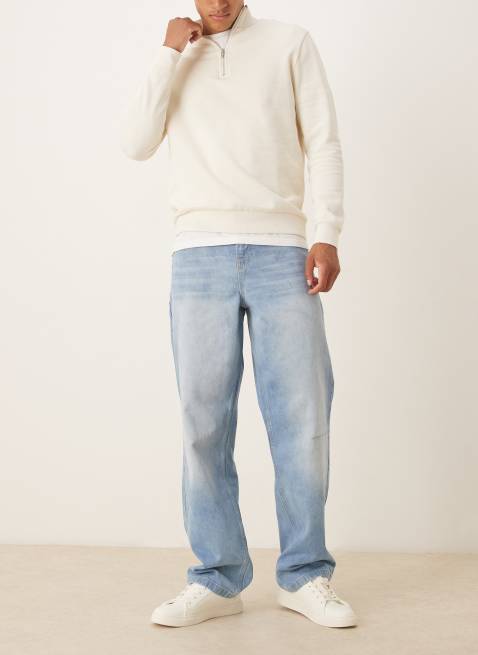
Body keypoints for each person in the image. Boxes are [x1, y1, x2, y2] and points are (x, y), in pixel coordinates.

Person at [119, 0, 357, 629]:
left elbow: (324, 142)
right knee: (202, 422)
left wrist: (326, 233)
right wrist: (169, 53)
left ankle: (305, 575)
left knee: (303, 416)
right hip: (198, 254)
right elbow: (135, 143)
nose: (219, 2)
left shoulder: (290, 42)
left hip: (283, 251)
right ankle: (218, 578)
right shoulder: (177, 55)